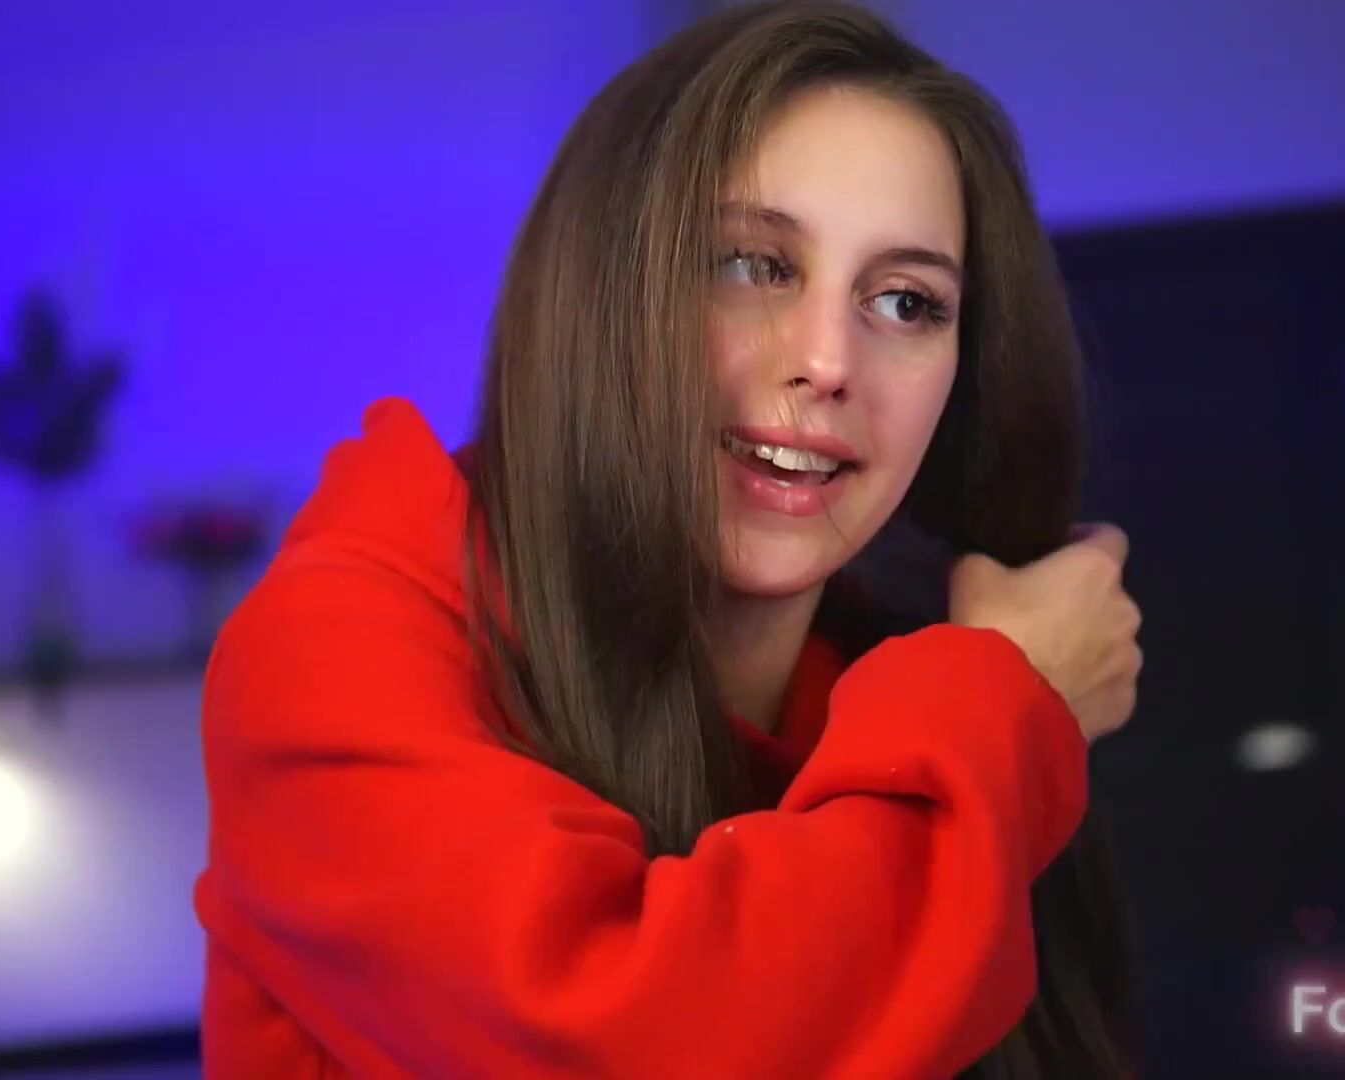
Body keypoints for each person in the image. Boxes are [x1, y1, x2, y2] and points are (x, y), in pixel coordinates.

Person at [193, 1, 1144, 1076]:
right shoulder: (324, 650)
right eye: (752, 265)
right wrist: (1013, 699)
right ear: (601, 290)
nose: (829, 361)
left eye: (905, 302)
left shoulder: (906, 690)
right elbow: (630, 1037)